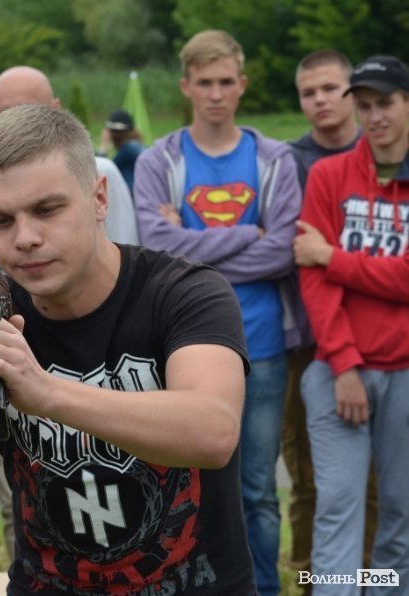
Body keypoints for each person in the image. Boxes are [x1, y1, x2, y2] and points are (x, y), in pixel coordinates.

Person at [0, 104, 256, 594]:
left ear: (99, 198)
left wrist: (46, 394)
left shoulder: (185, 293)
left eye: (47, 210)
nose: (26, 238)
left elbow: (213, 431)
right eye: (1, 220)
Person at [134, 30, 302, 596]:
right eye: (204, 82)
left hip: (264, 346)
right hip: (184, 348)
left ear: (242, 85)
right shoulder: (159, 160)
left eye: (226, 81)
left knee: (258, 490)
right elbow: (156, 247)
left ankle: (263, 588)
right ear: (185, 86)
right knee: (186, 488)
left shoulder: (274, 159)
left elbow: (283, 251)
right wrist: (248, 233)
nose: (215, 94)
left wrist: (190, 240)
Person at [293, 54, 409, 594]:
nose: (374, 116)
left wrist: (334, 257)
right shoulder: (329, 175)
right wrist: (343, 365)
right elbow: (314, 283)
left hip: (405, 371)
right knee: (338, 507)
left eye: (385, 103)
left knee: (401, 513)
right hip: (339, 372)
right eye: (364, 105)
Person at [285, 49, 376, 586]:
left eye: (331, 89)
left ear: (353, 93)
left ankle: (372, 581)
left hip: (384, 347)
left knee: (379, 485)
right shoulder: (288, 163)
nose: (320, 100)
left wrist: (331, 254)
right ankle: (309, 581)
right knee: (310, 481)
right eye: (308, 92)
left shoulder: (384, 156)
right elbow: (289, 252)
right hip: (308, 344)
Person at [0, 66, 140, 247]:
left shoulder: (99, 171)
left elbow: (124, 246)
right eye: (2, 220)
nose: (15, 122)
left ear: (56, 109)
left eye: (47, 210)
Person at [97, 108, 144, 193]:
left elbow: (100, 170)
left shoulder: (128, 150)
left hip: (133, 197)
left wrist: (103, 146)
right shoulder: (135, 146)